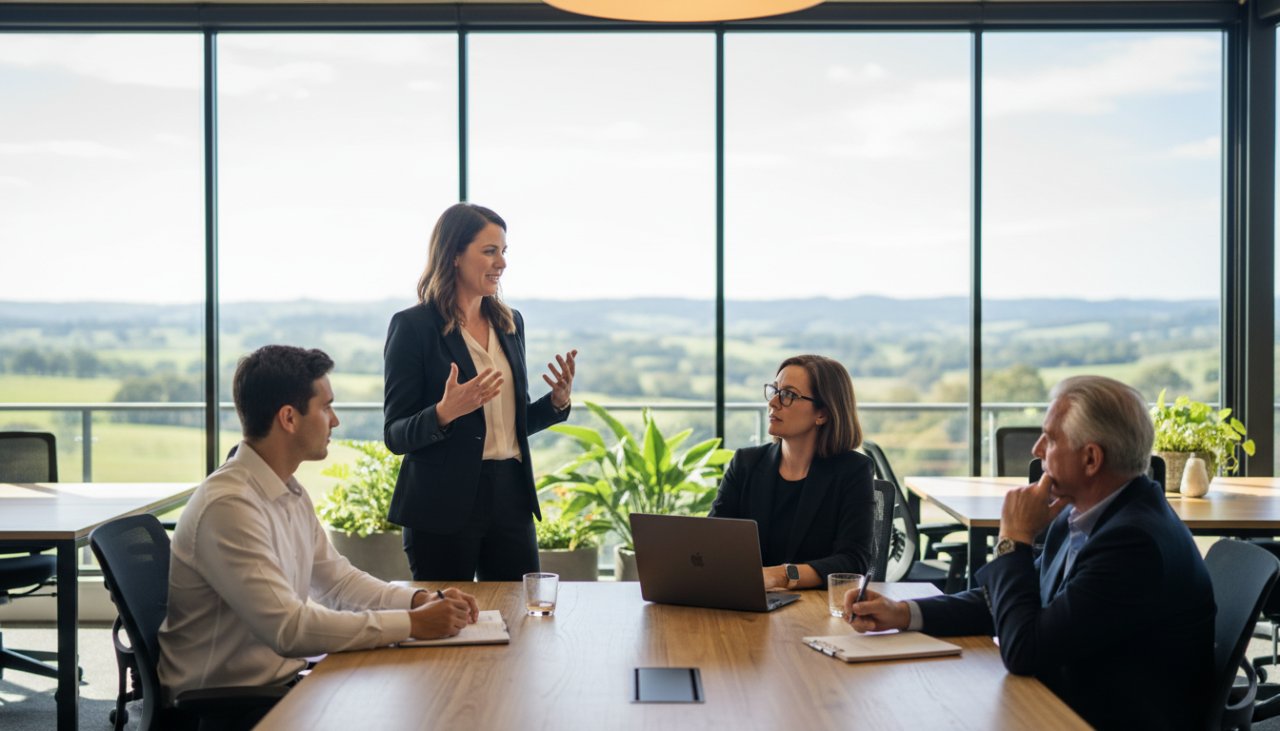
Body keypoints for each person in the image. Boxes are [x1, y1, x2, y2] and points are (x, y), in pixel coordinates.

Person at [845, 375, 1215, 730]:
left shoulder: (1134, 544)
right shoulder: (1080, 512)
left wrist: (1014, 538)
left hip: (1097, 718)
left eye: (1050, 439)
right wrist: (904, 613)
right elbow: (1011, 600)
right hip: (1063, 702)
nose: (1037, 450)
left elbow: (1026, 651)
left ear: (1091, 459)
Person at [159, 345, 479, 706]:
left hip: (279, 685)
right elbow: (290, 630)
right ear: (289, 418)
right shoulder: (228, 507)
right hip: (226, 707)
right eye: (326, 407)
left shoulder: (287, 490)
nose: (335, 420)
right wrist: (413, 623)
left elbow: (338, 584)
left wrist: (420, 601)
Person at [384, 202, 577, 581]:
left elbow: (512, 422)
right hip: (441, 506)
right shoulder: (413, 327)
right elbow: (395, 435)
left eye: (503, 252)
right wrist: (444, 412)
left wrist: (556, 403)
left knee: (519, 622)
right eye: (489, 251)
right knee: (447, 625)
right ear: (454, 254)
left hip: (511, 498)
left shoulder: (510, 323)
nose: (501, 263)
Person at [709, 354, 874, 591]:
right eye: (774, 390)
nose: (773, 402)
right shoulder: (746, 463)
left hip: (815, 609)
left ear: (823, 414)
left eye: (788, 395)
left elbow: (852, 561)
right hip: (748, 600)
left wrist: (780, 576)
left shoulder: (853, 471)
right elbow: (713, 540)